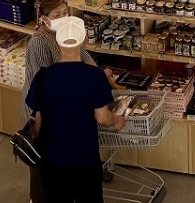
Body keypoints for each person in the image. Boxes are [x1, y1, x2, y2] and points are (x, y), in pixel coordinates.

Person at [24, 15, 122, 203]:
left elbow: (37, 123)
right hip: (85, 158)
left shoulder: (43, 77)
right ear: (84, 42)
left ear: (57, 43)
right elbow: (102, 118)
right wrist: (117, 120)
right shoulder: (94, 77)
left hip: (53, 161)